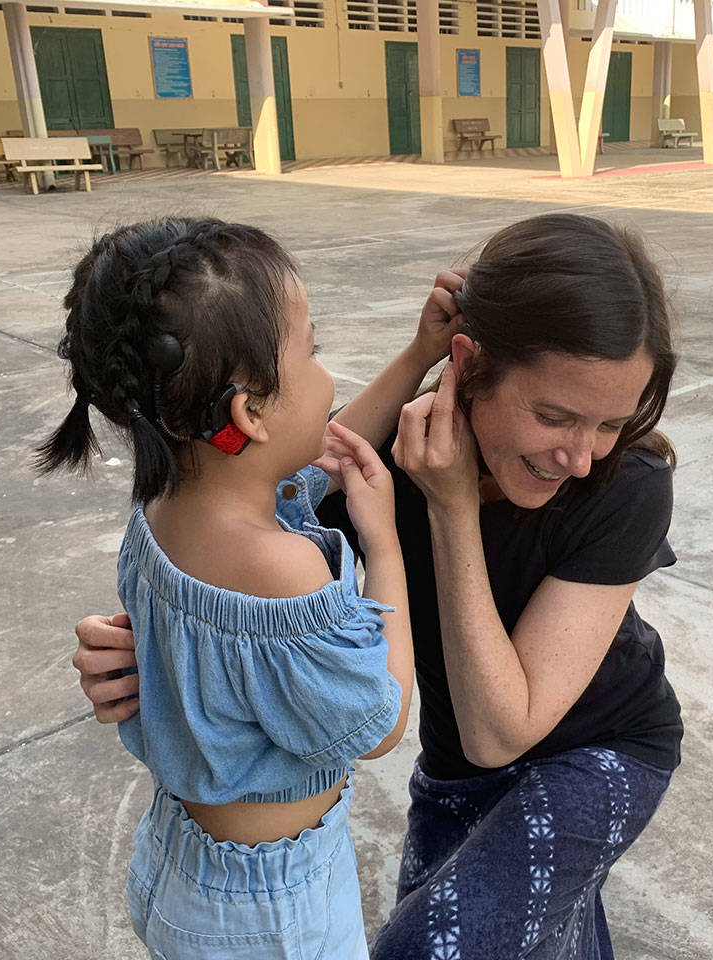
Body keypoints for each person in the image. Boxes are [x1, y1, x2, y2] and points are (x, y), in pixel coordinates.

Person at [74, 213, 684, 959]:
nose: (582, 456)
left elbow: (502, 730)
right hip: (455, 765)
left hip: (601, 750)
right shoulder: (393, 456)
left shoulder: (632, 483)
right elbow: (270, 501)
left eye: (610, 423)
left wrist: (450, 508)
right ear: (471, 362)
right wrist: (154, 652)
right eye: (555, 415)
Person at [38, 217, 438, 959]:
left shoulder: (164, 508)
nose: (328, 378)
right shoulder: (279, 568)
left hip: (181, 861)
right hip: (273, 913)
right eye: (312, 351)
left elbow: (322, 447)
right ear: (249, 414)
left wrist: (420, 353)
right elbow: (378, 725)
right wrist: (382, 543)